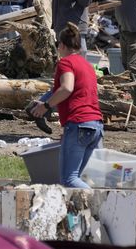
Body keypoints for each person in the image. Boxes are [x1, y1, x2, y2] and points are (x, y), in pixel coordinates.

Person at [30, 23, 103, 188]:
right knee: (76, 177)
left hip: (79, 124)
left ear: (62, 45)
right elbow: (77, 93)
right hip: (95, 126)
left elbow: (67, 88)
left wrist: (46, 106)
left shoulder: (66, 63)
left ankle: (102, 201)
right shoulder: (87, 65)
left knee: (69, 180)